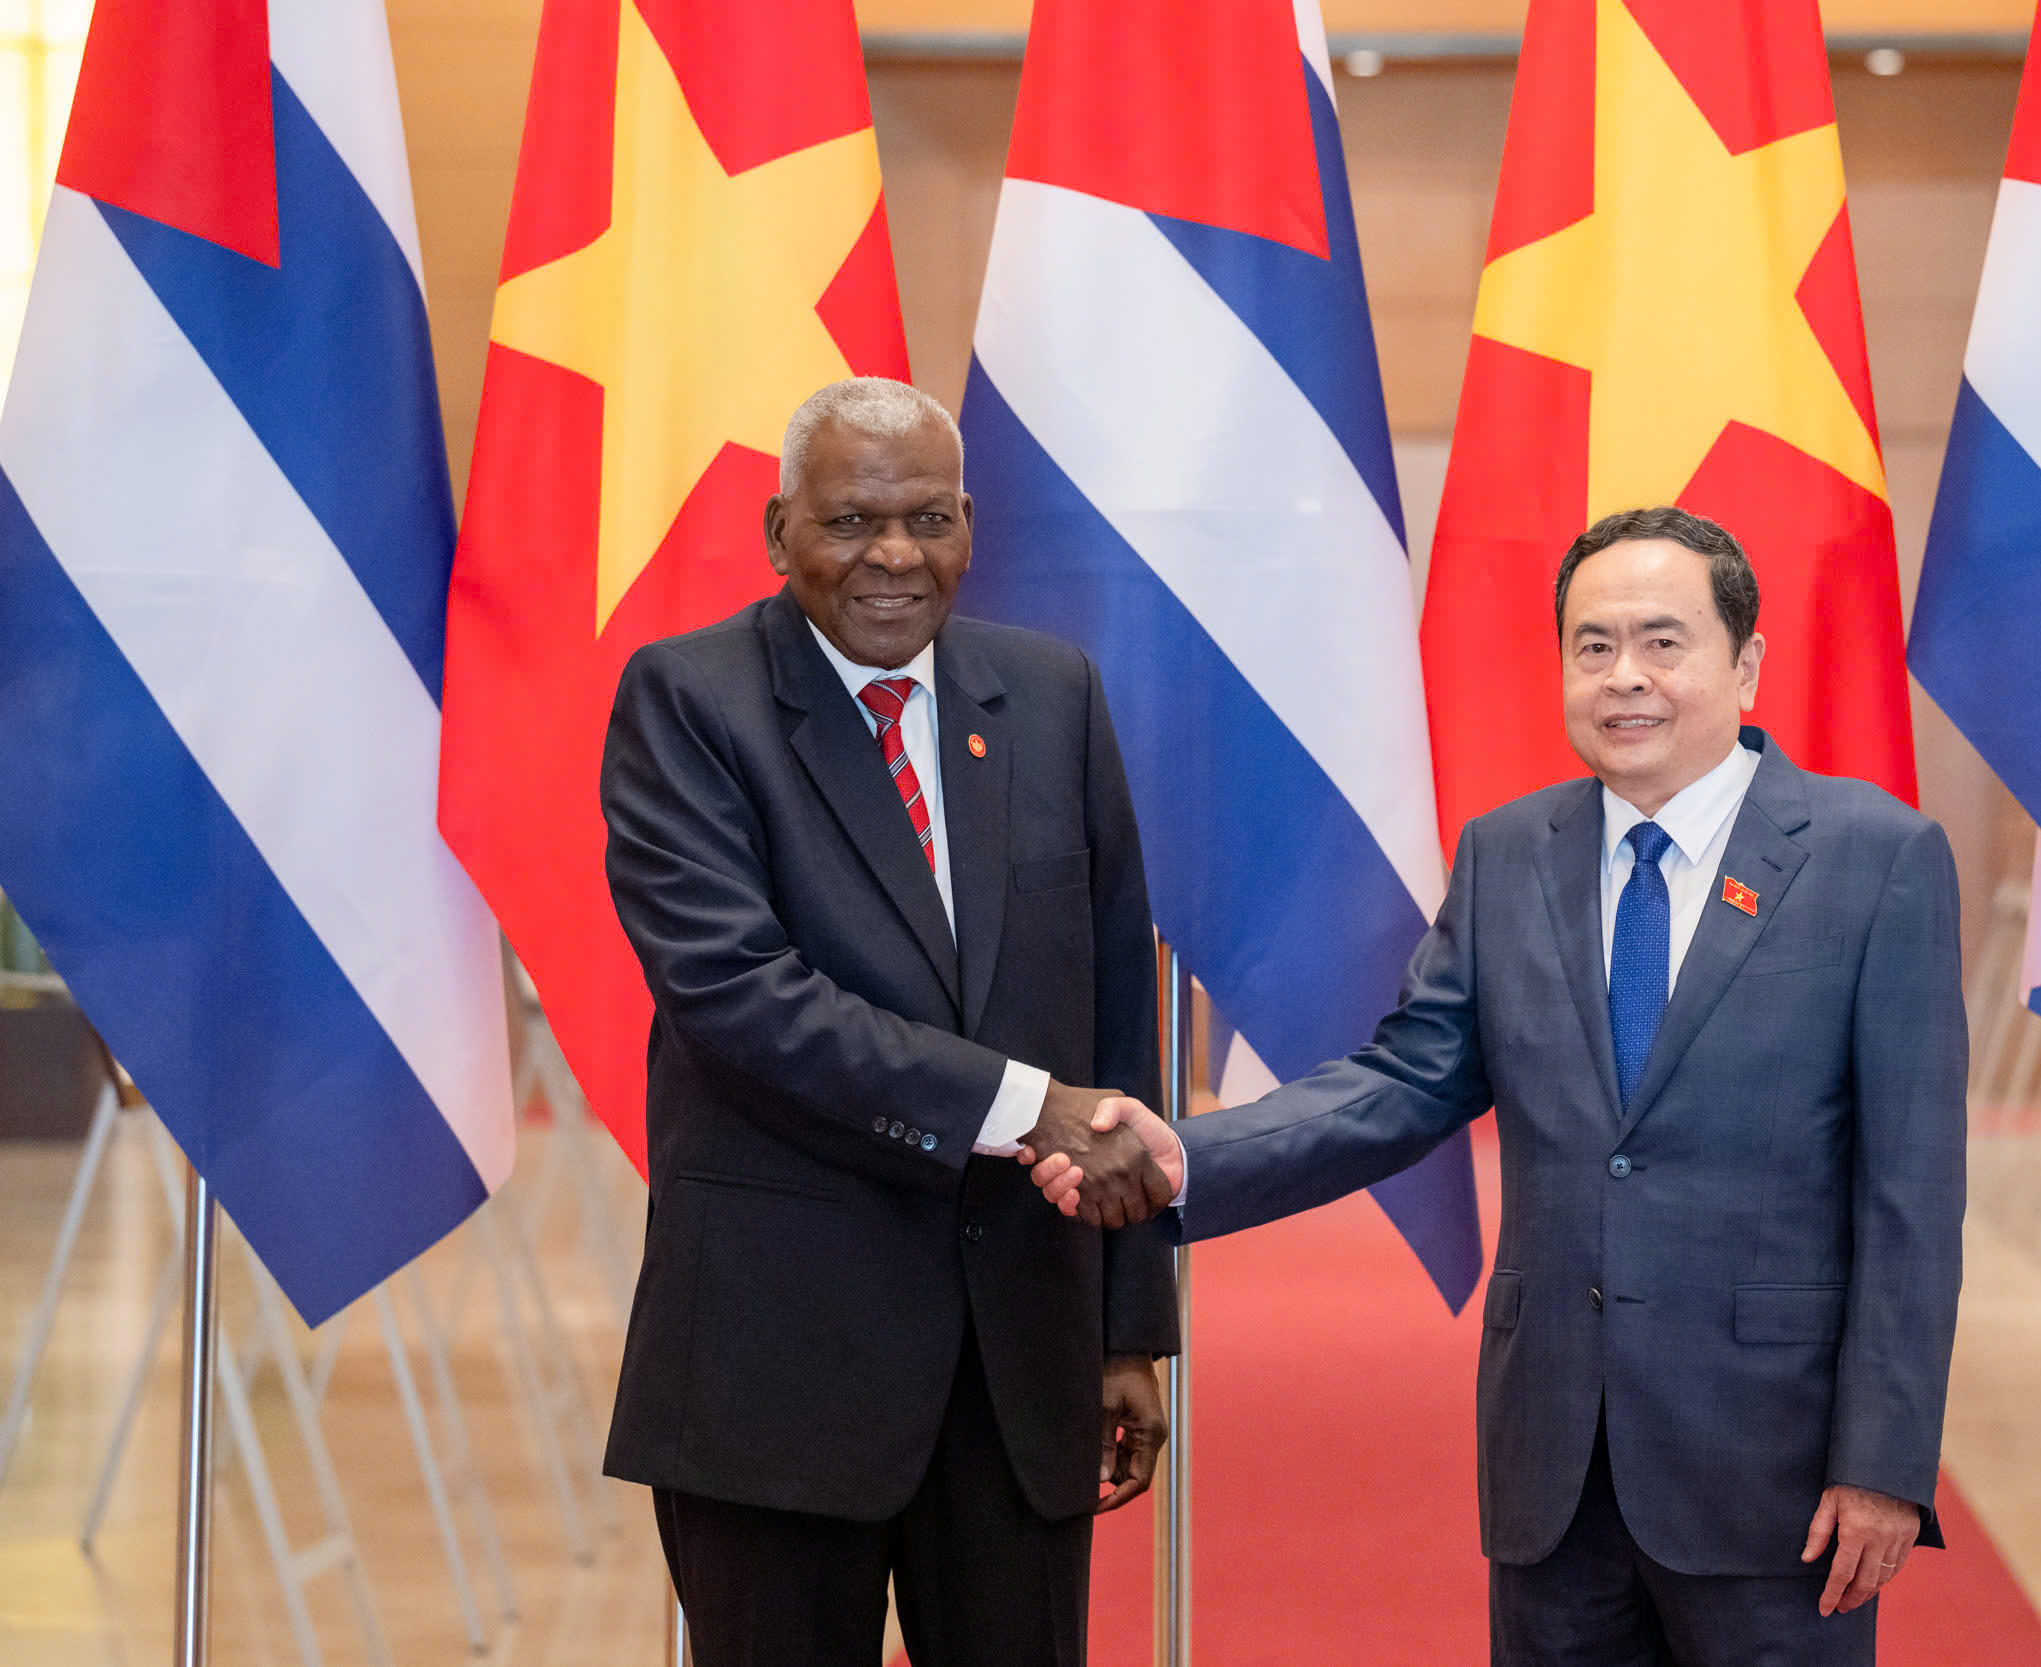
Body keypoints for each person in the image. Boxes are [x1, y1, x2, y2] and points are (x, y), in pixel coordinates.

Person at [1035, 507, 1966, 1667]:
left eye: (1663, 641)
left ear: (1746, 663)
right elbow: (1402, 1079)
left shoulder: (1874, 857)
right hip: (1551, 1469)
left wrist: (1883, 1461)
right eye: (1593, 644)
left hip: (1770, 1470)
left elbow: (1911, 1195)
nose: (1624, 676)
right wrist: (1187, 1155)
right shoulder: (1508, 853)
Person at [599, 376, 1178, 1667]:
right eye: (852, 520)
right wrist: (1026, 1107)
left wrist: (1128, 1323)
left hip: (1019, 1361)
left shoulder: (1054, 696)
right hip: (777, 1368)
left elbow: (1114, 1022)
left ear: (970, 523)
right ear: (779, 530)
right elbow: (742, 1000)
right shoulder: (689, 702)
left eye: (929, 517)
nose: (896, 555)